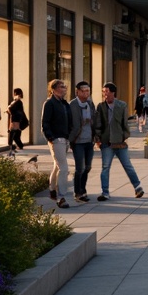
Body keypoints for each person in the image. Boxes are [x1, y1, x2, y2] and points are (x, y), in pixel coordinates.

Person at [95, 82, 143, 200]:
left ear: (113, 92)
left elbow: (125, 123)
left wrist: (125, 136)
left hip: (120, 142)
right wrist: (98, 139)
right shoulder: (101, 106)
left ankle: (137, 187)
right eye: (103, 92)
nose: (104, 94)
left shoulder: (122, 105)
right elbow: (98, 123)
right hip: (106, 142)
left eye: (106, 92)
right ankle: (105, 192)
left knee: (128, 165)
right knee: (105, 167)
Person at [41, 79, 72, 208]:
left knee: (57, 165)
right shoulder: (49, 103)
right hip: (56, 139)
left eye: (65, 86)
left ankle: (52, 189)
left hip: (65, 139)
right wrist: (51, 138)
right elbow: (45, 123)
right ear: (53, 89)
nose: (64, 88)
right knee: (64, 168)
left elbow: (69, 121)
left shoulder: (65, 104)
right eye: (61, 86)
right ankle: (62, 197)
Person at [66, 81, 96, 203]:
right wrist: (69, 138)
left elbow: (95, 119)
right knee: (80, 168)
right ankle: (78, 192)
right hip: (77, 141)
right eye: (83, 91)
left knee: (87, 167)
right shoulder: (72, 105)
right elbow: (68, 122)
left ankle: (83, 190)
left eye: (87, 91)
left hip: (89, 140)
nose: (86, 93)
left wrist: (96, 135)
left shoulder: (90, 104)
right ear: (77, 91)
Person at [7, 88, 28, 154]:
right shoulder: (17, 102)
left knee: (12, 134)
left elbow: (11, 108)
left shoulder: (18, 102)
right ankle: (19, 145)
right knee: (16, 135)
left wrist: (9, 109)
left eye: (14, 93)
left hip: (16, 120)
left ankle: (11, 146)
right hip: (17, 120)